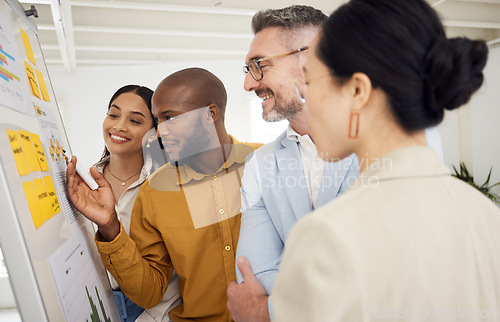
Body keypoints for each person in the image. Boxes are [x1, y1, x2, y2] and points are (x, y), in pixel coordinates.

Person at [272, 0, 500, 320]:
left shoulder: (327, 237)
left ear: (357, 91)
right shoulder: (488, 217)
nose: (304, 99)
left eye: (309, 82)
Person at [66, 67, 262, 321]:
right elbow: (149, 293)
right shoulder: (156, 190)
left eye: (170, 118)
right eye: (158, 121)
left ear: (209, 114)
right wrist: (110, 227)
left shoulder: (265, 162)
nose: (159, 132)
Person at [226, 5, 360, 321]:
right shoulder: (260, 164)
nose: (248, 85)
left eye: (259, 65)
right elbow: (254, 275)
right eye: (248, 69)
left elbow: (379, 280)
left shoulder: (385, 146)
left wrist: (269, 312)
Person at [93, 85, 180, 321]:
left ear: (154, 132)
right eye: (113, 114)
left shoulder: (166, 187)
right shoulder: (84, 184)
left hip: (156, 311)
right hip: (99, 307)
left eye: (135, 120)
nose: (119, 126)